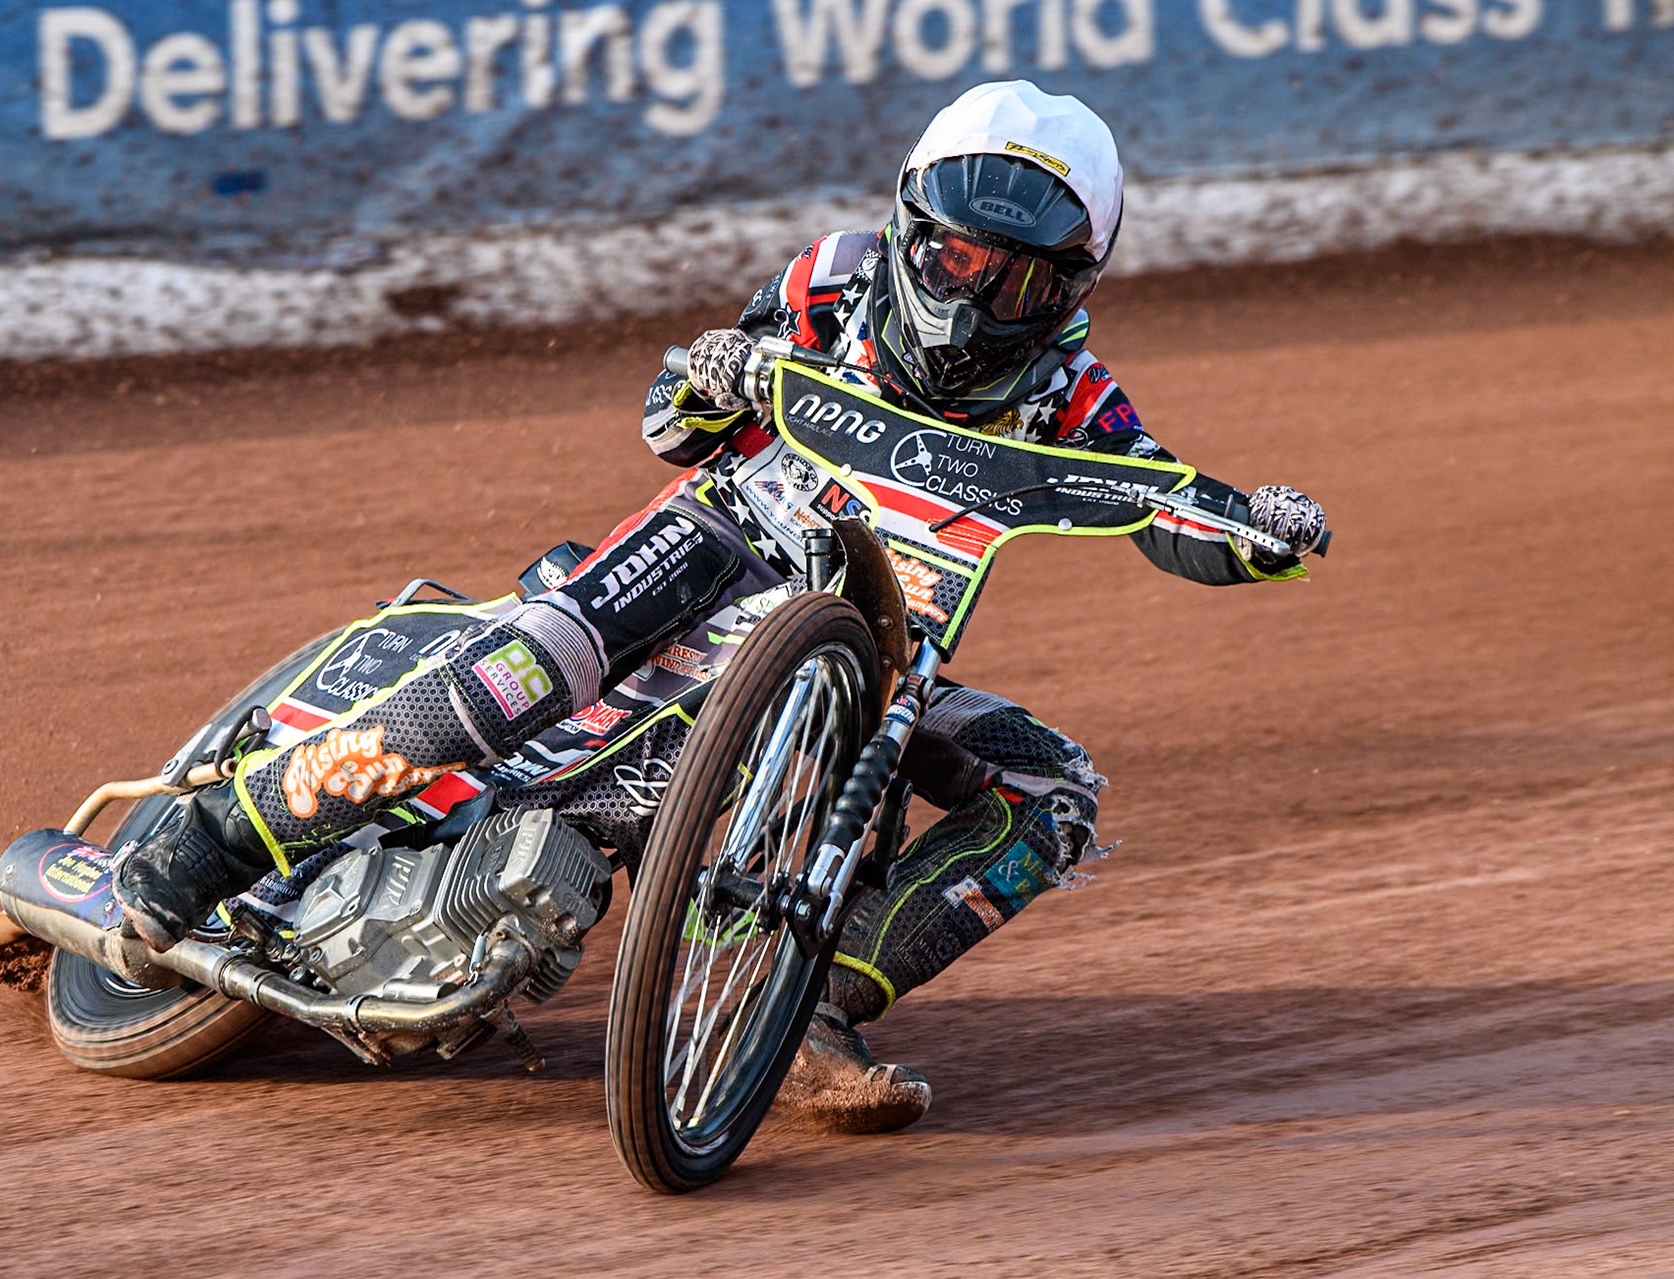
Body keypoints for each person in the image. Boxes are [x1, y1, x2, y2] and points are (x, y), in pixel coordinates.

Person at [114, 80, 1327, 1135]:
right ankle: (220, 835)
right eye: (955, 257)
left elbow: (1162, 504)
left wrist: (1259, 529)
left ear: (1071, 288)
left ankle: (807, 1007)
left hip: (870, 636)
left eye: (1014, 277)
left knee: (1050, 785)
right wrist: (713, 373)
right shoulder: (830, 278)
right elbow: (668, 422)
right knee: (531, 666)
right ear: (909, 228)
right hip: (720, 541)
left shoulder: (1073, 393)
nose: (972, 296)